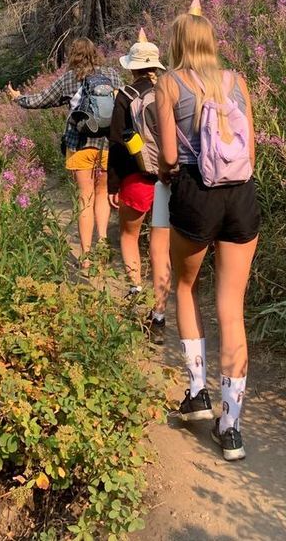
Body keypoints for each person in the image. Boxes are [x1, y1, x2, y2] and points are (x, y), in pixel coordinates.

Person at [155, 0, 260, 461]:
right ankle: (231, 428)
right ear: (212, 42)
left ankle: (197, 390)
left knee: (185, 284)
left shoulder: (169, 83)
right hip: (240, 197)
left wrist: (168, 178)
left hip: (196, 193)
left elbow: (170, 159)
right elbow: (251, 153)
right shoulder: (238, 81)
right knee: (231, 306)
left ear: (178, 42)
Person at [9, 38, 121, 269]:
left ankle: (86, 256)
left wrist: (18, 97)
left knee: (84, 198)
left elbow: (41, 100)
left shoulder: (70, 78)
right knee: (102, 196)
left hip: (80, 145)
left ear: (74, 55)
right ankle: (102, 244)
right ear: (95, 53)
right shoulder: (112, 75)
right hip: (109, 146)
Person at [107, 30, 171, 344]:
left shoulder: (126, 95)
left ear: (132, 67)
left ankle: (135, 291)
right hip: (168, 178)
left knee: (129, 235)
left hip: (136, 178)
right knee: (160, 247)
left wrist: (113, 184)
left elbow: (117, 143)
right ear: (156, 67)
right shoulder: (169, 92)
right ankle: (159, 314)